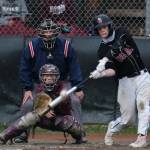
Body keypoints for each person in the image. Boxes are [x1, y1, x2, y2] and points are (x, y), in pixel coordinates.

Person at [17, 19, 86, 143]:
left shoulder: (65, 46)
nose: (48, 34)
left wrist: (78, 88)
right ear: (40, 32)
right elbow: (24, 68)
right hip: (38, 84)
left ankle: (80, 133)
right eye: (46, 31)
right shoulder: (32, 46)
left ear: (56, 32)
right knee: (27, 104)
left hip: (62, 83)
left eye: (51, 31)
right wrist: (27, 88)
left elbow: (74, 67)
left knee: (75, 101)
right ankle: (22, 133)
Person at [90, 14, 150, 148]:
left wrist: (105, 59)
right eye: (99, 29)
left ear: (109, 26)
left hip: (142, 76)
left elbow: (118, 46)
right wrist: (100, 74)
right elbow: (113, 71)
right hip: (124, 81)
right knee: (128, 119)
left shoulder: (122, 32)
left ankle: (141, 137)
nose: (102, 30)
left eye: (104, 27)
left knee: (143, 105)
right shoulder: (101, 50)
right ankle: (112, 128)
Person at [0, 64, 83, 144]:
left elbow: (67, 111)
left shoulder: (62, 89)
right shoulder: (40, 89)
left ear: (57, 77)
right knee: (30, 117)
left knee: (73, 125)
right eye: (46, 75)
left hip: (59, 120)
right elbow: (37, 104)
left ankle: (80, 137)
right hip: (44, 120)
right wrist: (44, 110)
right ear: (41, 77)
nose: (49, 78)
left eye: (52, 75)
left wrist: (65, 101)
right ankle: (4, 136)